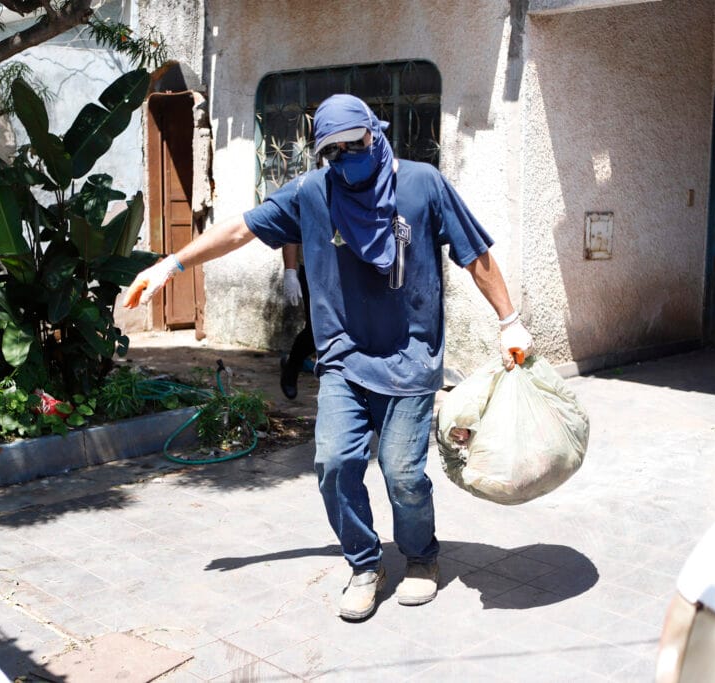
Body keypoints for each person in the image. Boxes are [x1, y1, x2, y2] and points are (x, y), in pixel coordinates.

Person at [125, 94, 533, 621]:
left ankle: (421, 558)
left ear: (375, 134)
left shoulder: (422, 183)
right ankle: (365, 564)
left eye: (354, 145)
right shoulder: (313, 193)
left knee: (402, 473)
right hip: (343, 357)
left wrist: (508, 321)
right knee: (335, 464)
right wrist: (172, 264)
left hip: (410, 357)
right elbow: (239, 228)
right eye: (331, 152)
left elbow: (474, 254)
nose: (345, 159)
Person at [279, 243, 314, 399]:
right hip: (314, 268)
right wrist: (290, 272)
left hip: (352, 267)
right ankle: (292, 367)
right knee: (316, 330)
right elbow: (290, 233)